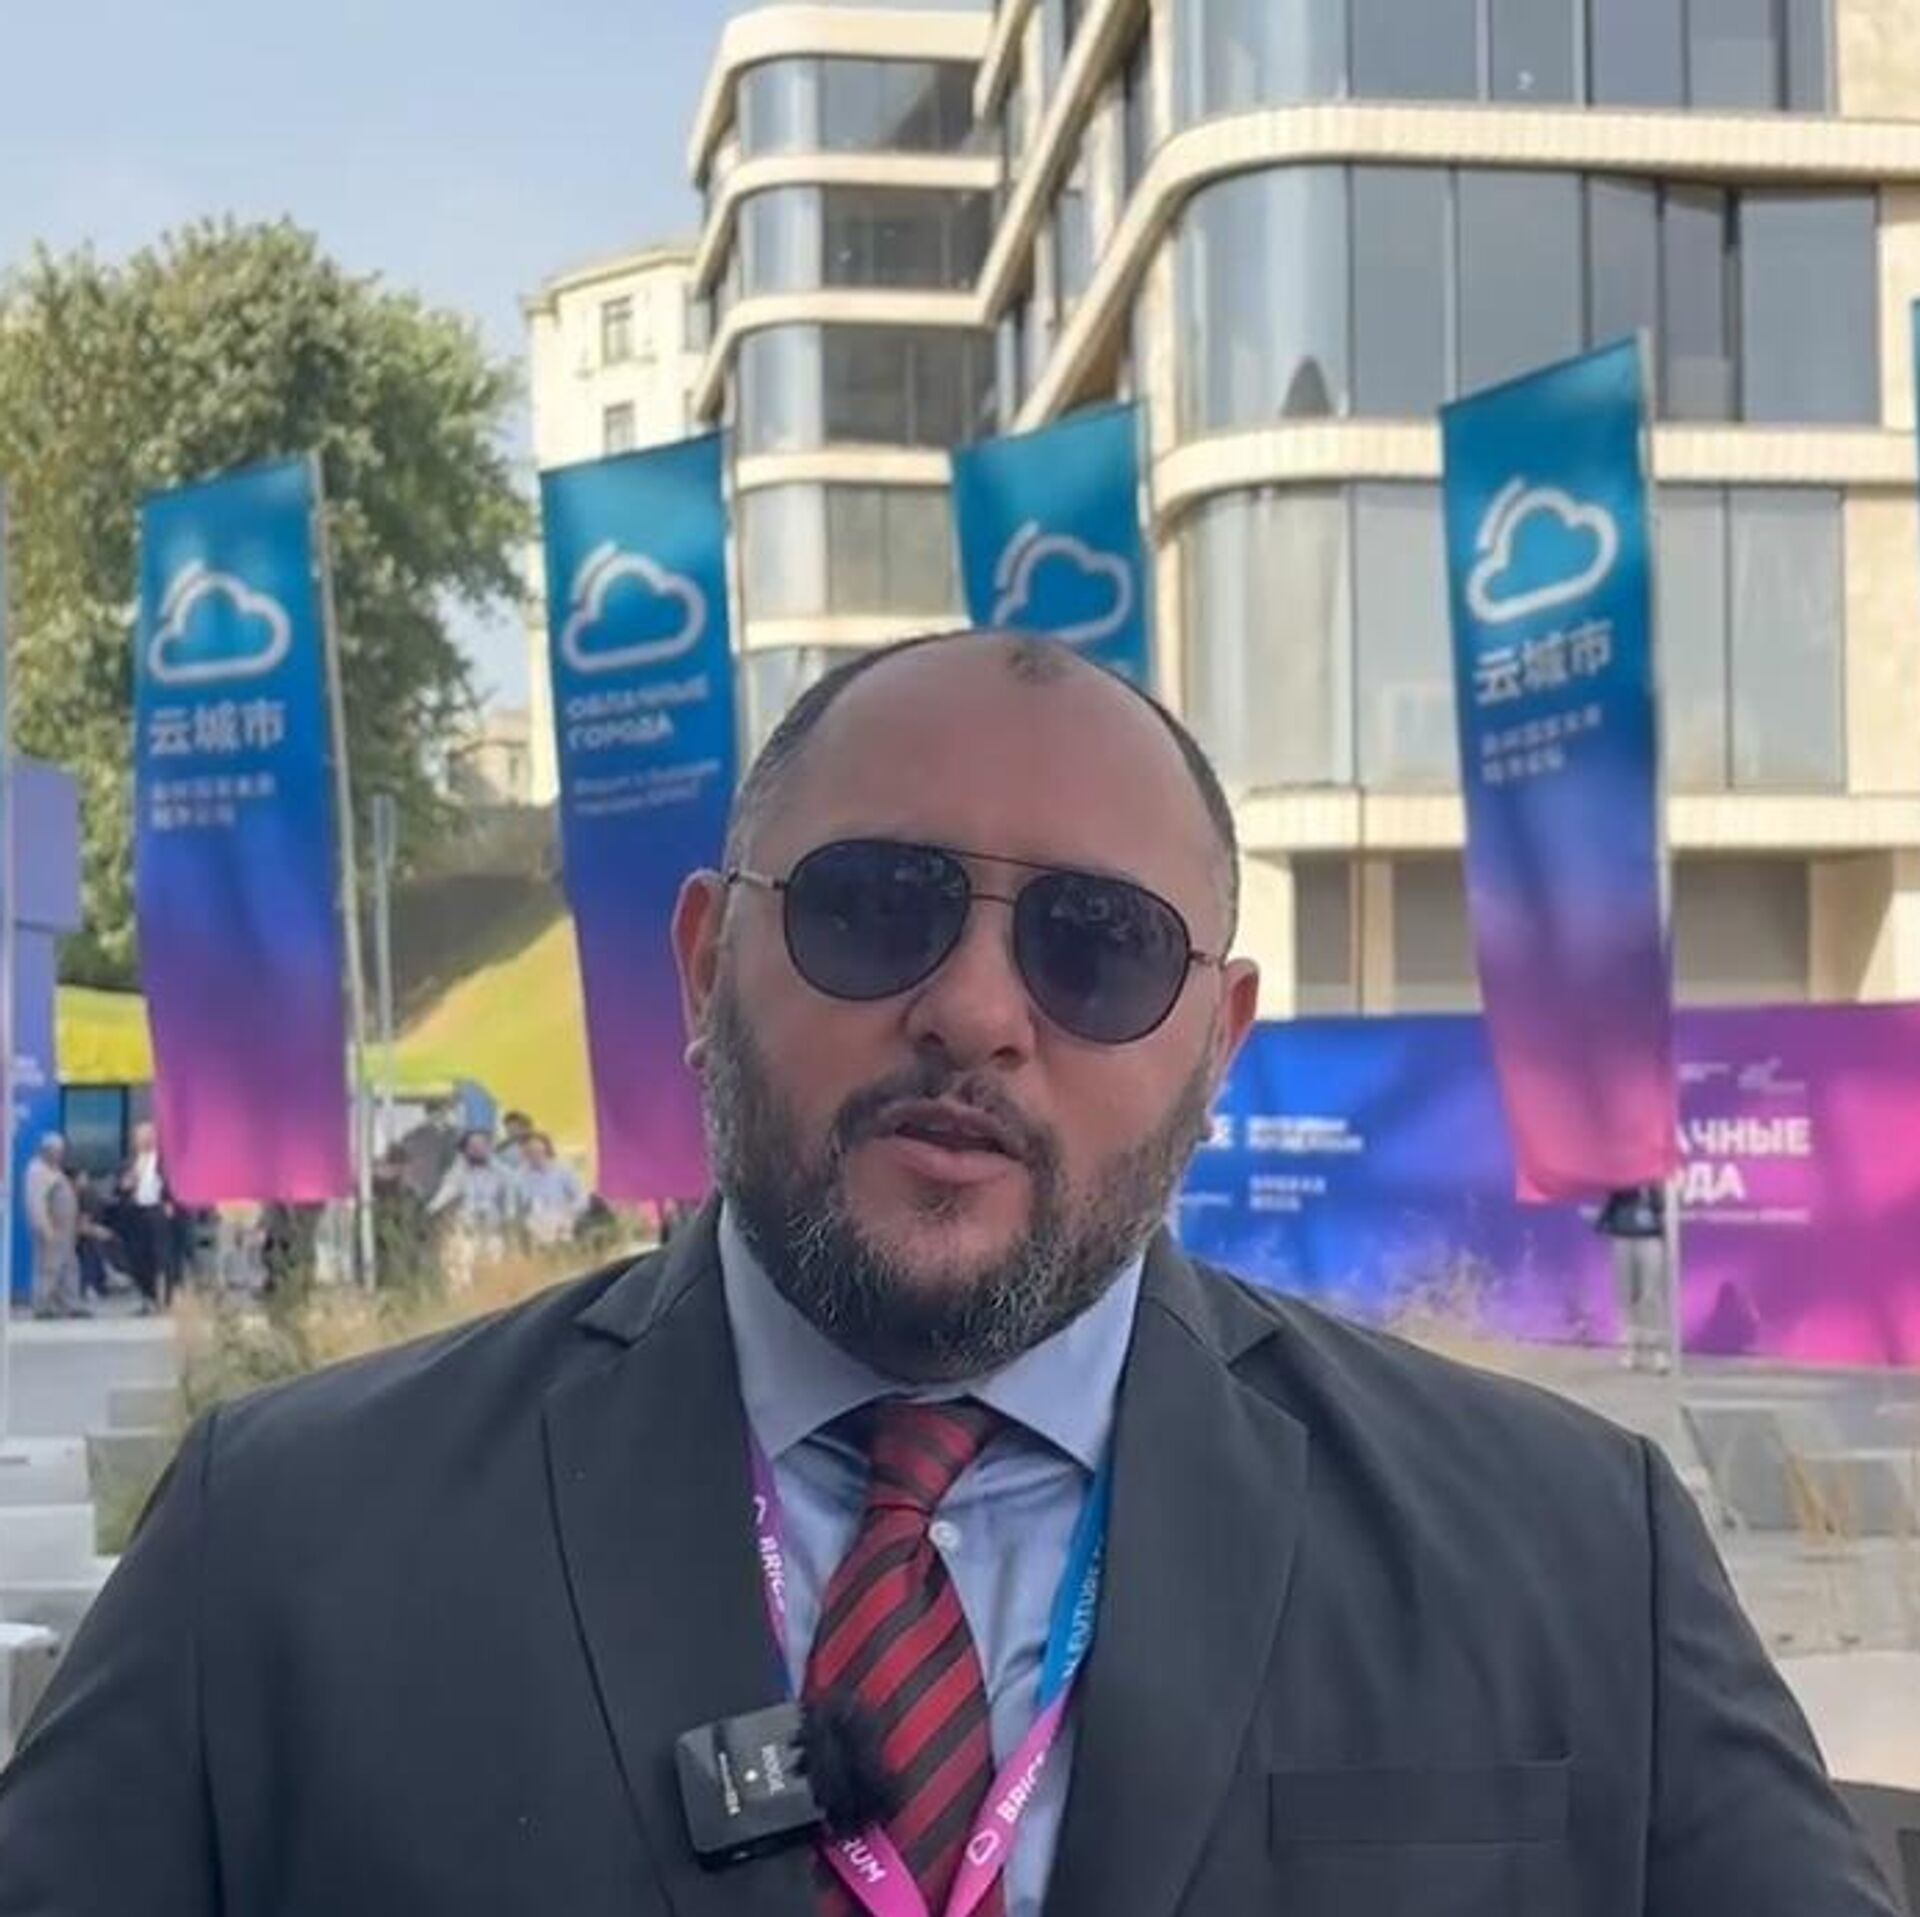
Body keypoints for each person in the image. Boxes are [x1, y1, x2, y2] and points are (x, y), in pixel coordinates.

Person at [0, 632, 1895, 1916]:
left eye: (1097, 946)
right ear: (703, 964)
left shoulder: (1573, 1555)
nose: (975, 1009)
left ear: (1219, 1042)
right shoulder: (285, 1549)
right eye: (873, 907)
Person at [426, 1127, 517, 1286]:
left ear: (488, 1147)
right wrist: (430, 1210)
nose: (478, 1149)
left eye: (482, 1145)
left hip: (493, 1229)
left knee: (495, 1268)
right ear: (466, 1149)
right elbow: (446, 1192)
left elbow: (511, 1197)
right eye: (473, 1146)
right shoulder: (458, 1171)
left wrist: (510, 1220)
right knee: (462, 1269)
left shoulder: (501, 1172)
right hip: (468, 1229)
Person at [23, 1134, 86, 1321]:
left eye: (61, 1152)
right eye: (56, 1151)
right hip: (52, 1229)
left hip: (65, 1231)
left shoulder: (54, 1170)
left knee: (69, 1266)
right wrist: (45, 1227)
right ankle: (42, 1305)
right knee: (48, 1267)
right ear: (46, 1151)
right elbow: (36, 1202)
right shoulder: (37, 1171)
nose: (60, 1155)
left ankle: (71, 1304)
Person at [115, 1119, 174, 1312]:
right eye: (139, 1136)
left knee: (161, 1257)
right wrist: (124, 1186)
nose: (143, 1140)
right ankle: (147, 1298)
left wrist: (170, 1202)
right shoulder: (129, 1163)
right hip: (136, 1212)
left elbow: (174, 1185)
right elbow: (118, 1189)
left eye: (148, 1136)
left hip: (158, 1211)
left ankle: (164, 1299)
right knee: (138, 1258)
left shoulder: (165, 1161)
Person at [515, 1132, 586, 1249]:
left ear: (547, 1150)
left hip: (564, 1219)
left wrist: (569, 1211)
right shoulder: (519, 1176)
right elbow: (519, 1207)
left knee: (563, 1230)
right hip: (535, 1224)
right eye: (530, 1152)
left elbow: (581, 1197)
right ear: (525, 1154)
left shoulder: (564, 1170)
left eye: (538, 1150)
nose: (535, 1155)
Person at [496, 1110, 536, 1177]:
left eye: (515, 1127)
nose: (511, 1131)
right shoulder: (503, 1148)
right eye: (509, 1128)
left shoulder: (538, 1145)